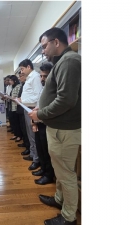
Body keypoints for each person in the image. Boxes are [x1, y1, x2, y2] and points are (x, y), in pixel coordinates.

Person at [28, 27, 81, 225]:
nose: (43, 50)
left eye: (44, 46)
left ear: (56, 42)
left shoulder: (70, 61)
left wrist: (40, 114)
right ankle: (59, 200)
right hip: (58, 127)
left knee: (66, 173)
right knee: (60, 170)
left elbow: (66, 100)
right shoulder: (62, 62)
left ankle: (68, 218)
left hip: (65, 130)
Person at [31, 63, 55, 185]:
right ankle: (44, 169)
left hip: (47, 124)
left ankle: (49, 175)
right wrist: (34, 119)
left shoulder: (54, 89)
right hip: (39, 122)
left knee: (46, 151)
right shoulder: (43, 88)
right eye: (41, 76)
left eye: (45, 76)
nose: (42, 79)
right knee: (40, 149)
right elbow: (39, 104)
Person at [17, 59, 42, 171]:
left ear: (28, 67)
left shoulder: (35, 77)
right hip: (26, 108)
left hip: (32, 109)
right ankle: (33, 154)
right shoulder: (29, 78)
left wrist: (22, 100)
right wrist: (21, 100)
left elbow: (38, 97)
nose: (21, 72)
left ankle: (37, 159)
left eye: (22, 69)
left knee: (33, 135)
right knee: (29, 135)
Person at [8, 75, 22, 142]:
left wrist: (9, 97)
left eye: (11, 80)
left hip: (16, 107)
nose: (9, 82)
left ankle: (19, 136)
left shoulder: (18, 86)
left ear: (15, 80)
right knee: (14, 122)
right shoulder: (13, 87)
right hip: (12, 107)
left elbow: (18, 97)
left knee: (17, 122)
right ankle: (16, 134)